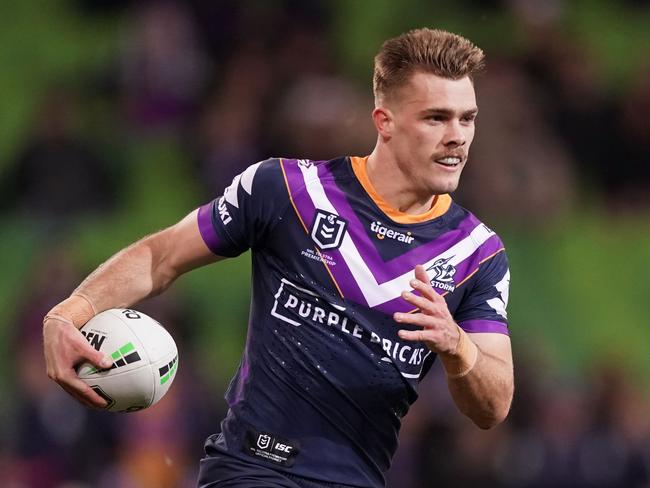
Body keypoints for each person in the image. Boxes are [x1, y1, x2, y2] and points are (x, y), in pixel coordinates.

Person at [43, 28, 514, 488]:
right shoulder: (287, 190)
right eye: (436, 118)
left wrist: (457, 346)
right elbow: (160, 257)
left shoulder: (478, 253)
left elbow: (492, 407)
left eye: (466, 119)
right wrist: (69, 313)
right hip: (253, 467)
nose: (457, 136)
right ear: (384, 121)